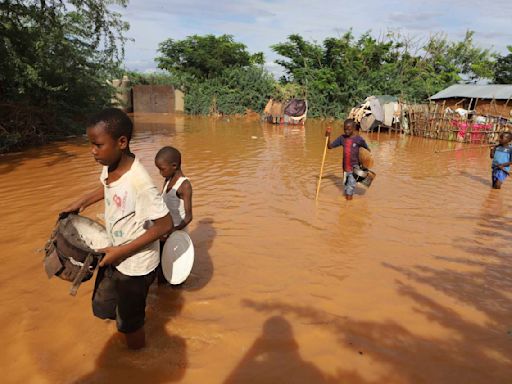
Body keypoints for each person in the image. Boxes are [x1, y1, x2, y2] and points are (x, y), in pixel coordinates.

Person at [62, 108, 172, 349]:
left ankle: (136, 359)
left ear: (122, 142)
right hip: (114, 252)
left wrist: (121, 252)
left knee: (130, 324)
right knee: (102, 307)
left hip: (136, 264)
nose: (93, 151)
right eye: (91, 144)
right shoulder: (110, 164)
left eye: (97, 145)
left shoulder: (140, 182)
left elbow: (166, 224)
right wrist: (80, 202)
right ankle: (126, 316)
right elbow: (106, 186)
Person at [154, 146, 193, 284]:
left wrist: (173, 230)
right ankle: (163, 297)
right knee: (161, 266)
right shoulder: (167, 179)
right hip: (165, 231)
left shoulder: (185, 185)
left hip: (176, 233)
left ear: (174, 166)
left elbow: (189, 217)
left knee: (175, 270)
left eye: (162, 169)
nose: (160, 172)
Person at [325, 119, 370, 200]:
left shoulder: (359, 139)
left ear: (353, 128)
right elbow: (329, 147)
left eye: (349, 129)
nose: (346, 131)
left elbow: (367, 150)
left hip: (354, 169)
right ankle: (347, 206)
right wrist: (328, 135)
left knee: (349, 190)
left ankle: (348, 207)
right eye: (345, 129)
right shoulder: (342, 138)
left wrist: (366, 163)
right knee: (346, 188)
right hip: (345, 168)